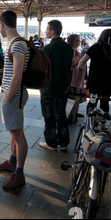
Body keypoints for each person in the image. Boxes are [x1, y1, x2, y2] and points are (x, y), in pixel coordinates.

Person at [0, 10, 30, 189]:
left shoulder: (17, 45)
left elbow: (17, 76)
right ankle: (12, 161)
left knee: (18, 134)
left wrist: (7, 98)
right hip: (11, 94)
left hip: (13, 96)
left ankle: (19, 174)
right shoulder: (15, 44)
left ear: (2, 25)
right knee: (13, 132)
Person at [39, 20, 73, 151]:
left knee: (49, 116)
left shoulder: (48, 48)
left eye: (47, 30)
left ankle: (51, 143)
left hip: (50, 87)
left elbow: (43, 70)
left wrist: (41, 86)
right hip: (64, 87)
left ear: (52, 32)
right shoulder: (68, 48)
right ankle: (64, 143)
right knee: (61, 114)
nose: (46, 32)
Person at [78, 29, 111, 116]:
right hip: (108, 81)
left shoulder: (94, 47)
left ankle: (91, 122)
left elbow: (82, 62)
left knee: (93, 101)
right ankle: (103, 125)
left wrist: (80, 70)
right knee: (105, 102)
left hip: (94, 80)